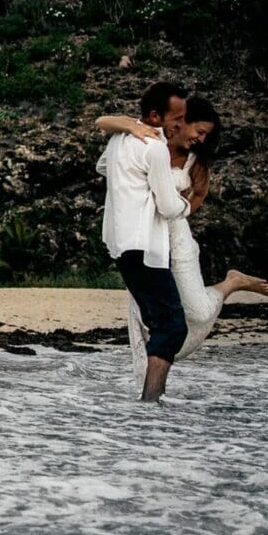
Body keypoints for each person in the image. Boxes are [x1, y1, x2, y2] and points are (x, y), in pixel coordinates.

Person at [97, 96, 268, 396]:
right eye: (198, 131)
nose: (200, 139)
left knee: (199, 312)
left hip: (175, 235)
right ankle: (151, 393)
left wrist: (180, 209)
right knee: (149, 319)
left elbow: (198, 196)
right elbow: (104, 143)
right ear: (181, 122)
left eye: (205, 136)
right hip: (144, 238)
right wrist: (128, 125)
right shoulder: (150, 140)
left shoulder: (195, 161)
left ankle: (232, 282)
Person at [96, 81, 195, 401]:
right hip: (143, 244)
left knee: (160, 321)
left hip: (121, 243)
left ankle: (149, 402)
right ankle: (150, 401)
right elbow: (168, 206)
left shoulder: (117, 141)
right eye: (176, 119)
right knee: (172, 325)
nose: (182, 125)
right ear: (155, 116)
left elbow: (102, 167)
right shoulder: (153, 148)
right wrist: (187, 204)